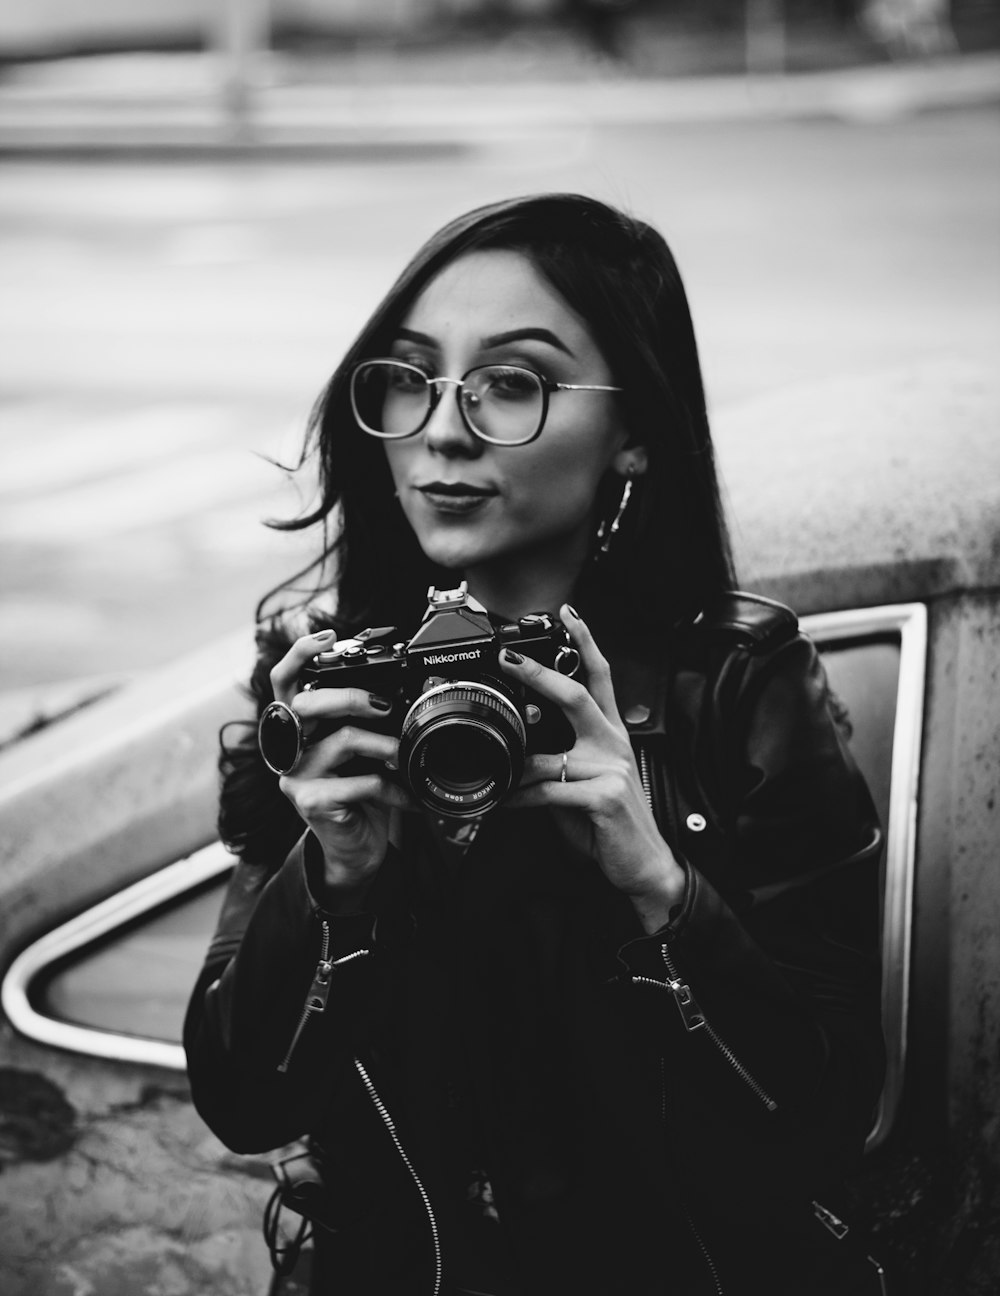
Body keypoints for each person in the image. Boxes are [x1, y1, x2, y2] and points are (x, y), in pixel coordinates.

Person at [184, 193, 887, 1295]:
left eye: (511, 381)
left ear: (635, 435)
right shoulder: (331, 680)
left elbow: (828, 1115)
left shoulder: (736, 689)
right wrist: (337, 875)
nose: (443, 427)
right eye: (410, 377)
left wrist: (660, 886)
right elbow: (244, 1101)